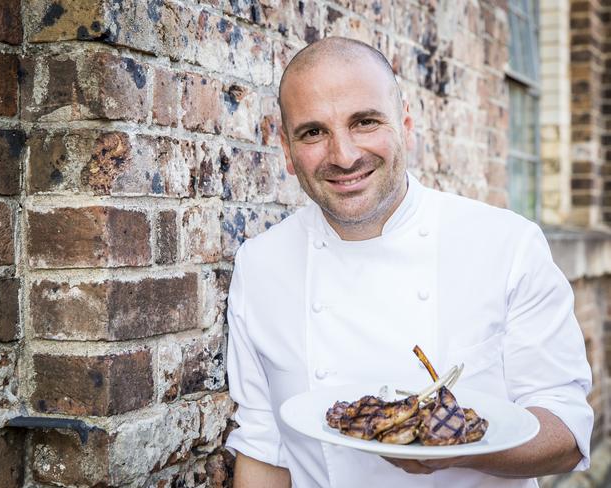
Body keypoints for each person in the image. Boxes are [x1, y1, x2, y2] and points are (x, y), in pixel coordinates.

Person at [224, 36, 593, 488]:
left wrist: (454, 448)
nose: (344, 156)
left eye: (365, 122)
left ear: (407, 125)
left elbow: (568, 431)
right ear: (286, 149)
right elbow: (264, 450)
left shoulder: (507, 244)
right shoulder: (260, 265)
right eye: (313, 132)